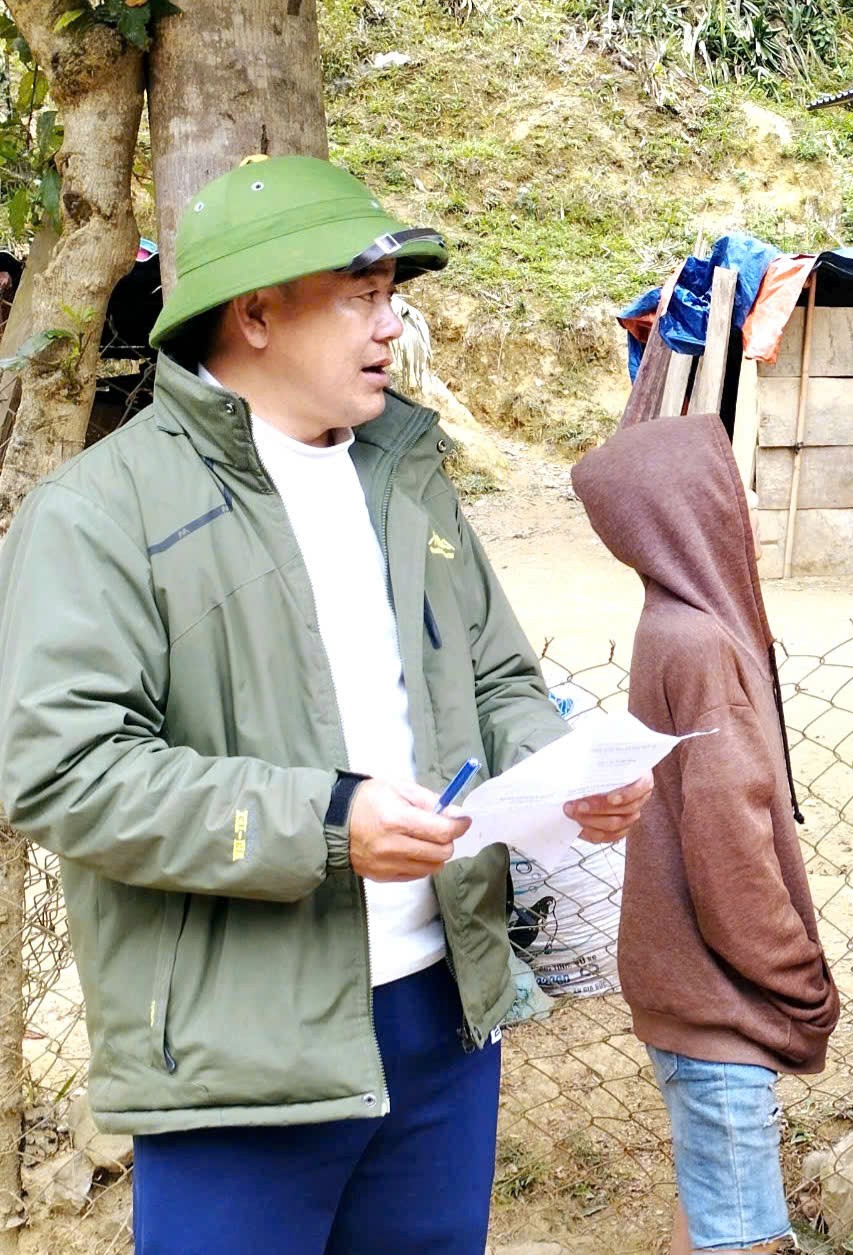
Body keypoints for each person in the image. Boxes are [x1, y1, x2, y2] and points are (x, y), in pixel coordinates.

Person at [0, 154, 653, 1254]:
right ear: (254, 312)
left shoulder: (404, 469)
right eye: (362, 295)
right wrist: (325, 819)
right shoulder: (99, 513)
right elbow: (61, 769)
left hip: (440, 1013)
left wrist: (565, 766)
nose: (392, 325)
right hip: (240, 1045)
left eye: (394, 295)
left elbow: (497, 676)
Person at [571, 411, 839, 1255]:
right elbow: (730, 853)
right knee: (743, 1239)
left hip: (685, 995)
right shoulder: (699, 645)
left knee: (710, 1224)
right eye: (732, 487)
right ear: (696, 509)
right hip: (723, 1003)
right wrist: (801, 983)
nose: (746, 504)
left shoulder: (672, 624)